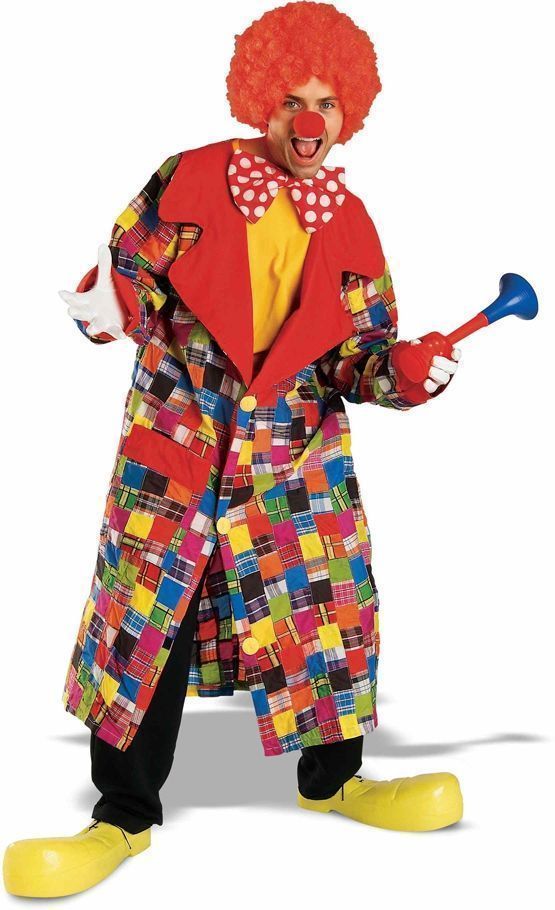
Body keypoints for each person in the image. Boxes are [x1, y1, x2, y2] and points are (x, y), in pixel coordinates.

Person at [4, 2, 464, 899]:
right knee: (148, 622)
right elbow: (125, 277)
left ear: (349, 113)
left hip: (294, 459)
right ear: (262, 101)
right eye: (292, 99)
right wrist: (107, 308)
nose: (308, 120)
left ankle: (334, 781)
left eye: (326, 103)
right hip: (180, 443)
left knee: (324, 605)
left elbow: (358, 358)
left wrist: (406, 374)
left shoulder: (351, 221)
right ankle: (122, 816)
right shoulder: (189, 179)